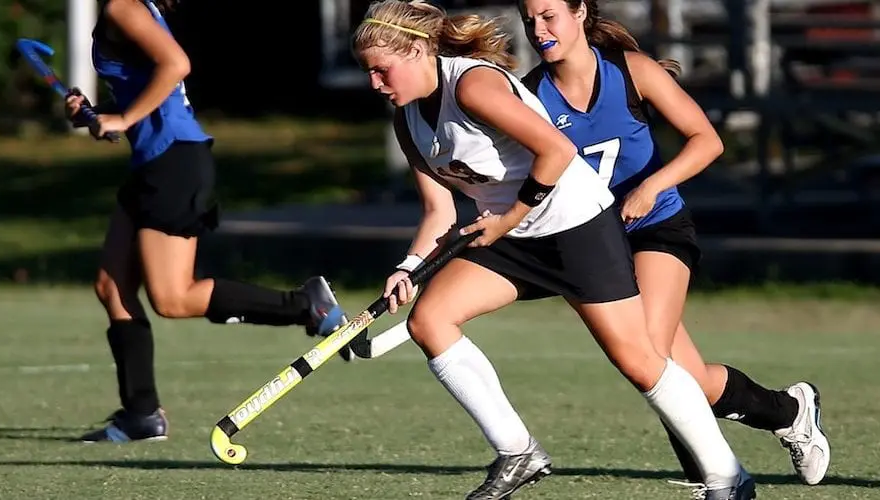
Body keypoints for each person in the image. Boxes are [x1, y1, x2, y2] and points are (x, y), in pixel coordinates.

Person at [354, 1, 754, 498]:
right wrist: (409, 267)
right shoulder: (408, 119)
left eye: (381, 69)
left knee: (639, 360)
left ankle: (727, 476)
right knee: (429, 320)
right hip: (512, 234)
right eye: (368, 71)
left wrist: (507, 220)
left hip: (575, 225)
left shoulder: (473, 85)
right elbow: (440, 211)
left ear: (417, 50)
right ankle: (517, 451)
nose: (375, 83)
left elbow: (558, 151)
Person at [516, 0, 830, 486]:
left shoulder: (631, 72)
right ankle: (788, 411)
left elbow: (707, 139)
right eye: (530, 18)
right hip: (595, 244)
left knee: (650, 356)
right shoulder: (530, 95)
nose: (538, 29)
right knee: (684, 378)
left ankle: (716, 477)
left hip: (657, 227)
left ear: (580, 13)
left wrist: (651, 186)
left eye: (549, 15)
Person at [68, 0, 350, 443]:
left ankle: (304, 306)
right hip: (154, 161)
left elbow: (176, 65)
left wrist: (123, 117)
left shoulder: (124, 7)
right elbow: (148, 82)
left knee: (173, 299)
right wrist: (98, 110)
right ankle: (141, 414)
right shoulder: (129, 7)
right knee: (111, 286)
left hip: (172, 163)